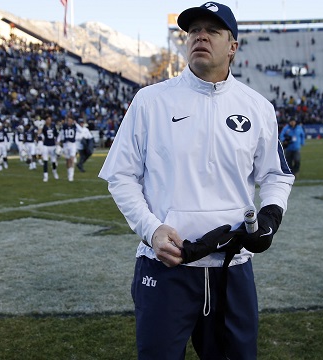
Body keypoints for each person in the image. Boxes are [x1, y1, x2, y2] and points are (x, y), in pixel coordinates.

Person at [98, 3, 294, 359]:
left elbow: (276, 175)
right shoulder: (150, 101)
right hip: (166, 269)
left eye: (212, 30)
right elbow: (121, 176)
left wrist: (270, 217)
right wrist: (152, 229)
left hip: (231, 269)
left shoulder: (257, 107)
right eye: (193, 30)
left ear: (232, 46)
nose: (200, 35)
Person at [41, 116, 59, 182]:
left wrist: (57, 142)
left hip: (52, 145)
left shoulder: (53, 126)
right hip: (45, 145)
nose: (49, 121)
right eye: (48, 119)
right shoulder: (43, 126)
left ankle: (54, 172)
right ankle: (45, 176)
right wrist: (40, 126)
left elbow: (56, 134)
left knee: (53, 161)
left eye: (50, 119)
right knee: (45, 160)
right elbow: (39, 133)